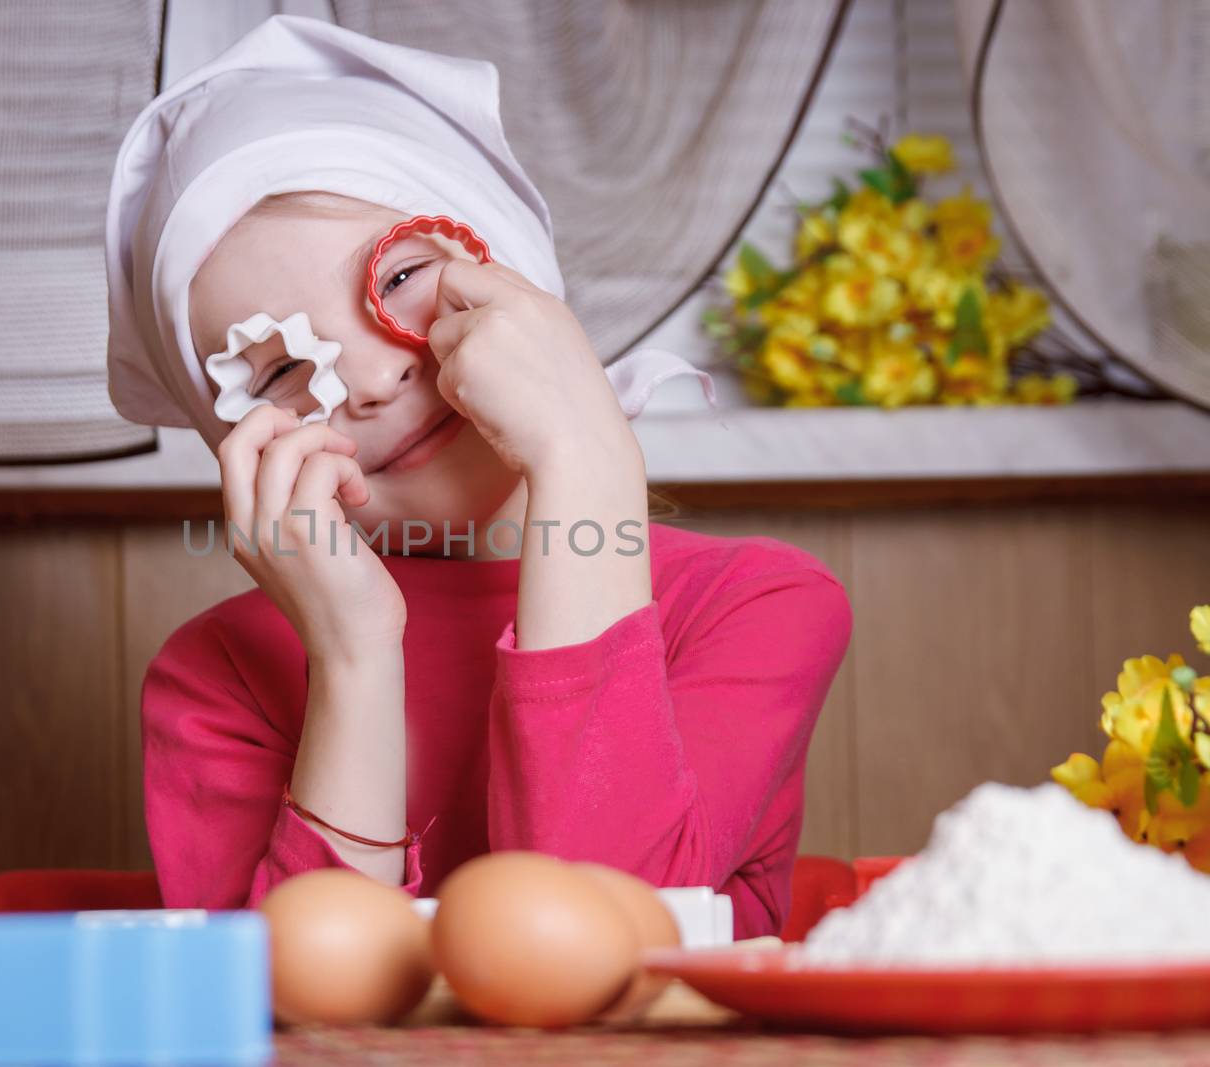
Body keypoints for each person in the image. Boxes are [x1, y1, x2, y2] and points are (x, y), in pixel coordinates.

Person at [103, 15, 852, 939]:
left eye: (405, 276)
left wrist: (585, 460)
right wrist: (352, 658)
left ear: (516, 273)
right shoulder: (220, 679)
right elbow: (297, 1011)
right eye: (283, 370)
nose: (377, 379)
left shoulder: (755, 605)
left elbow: (608, 944)